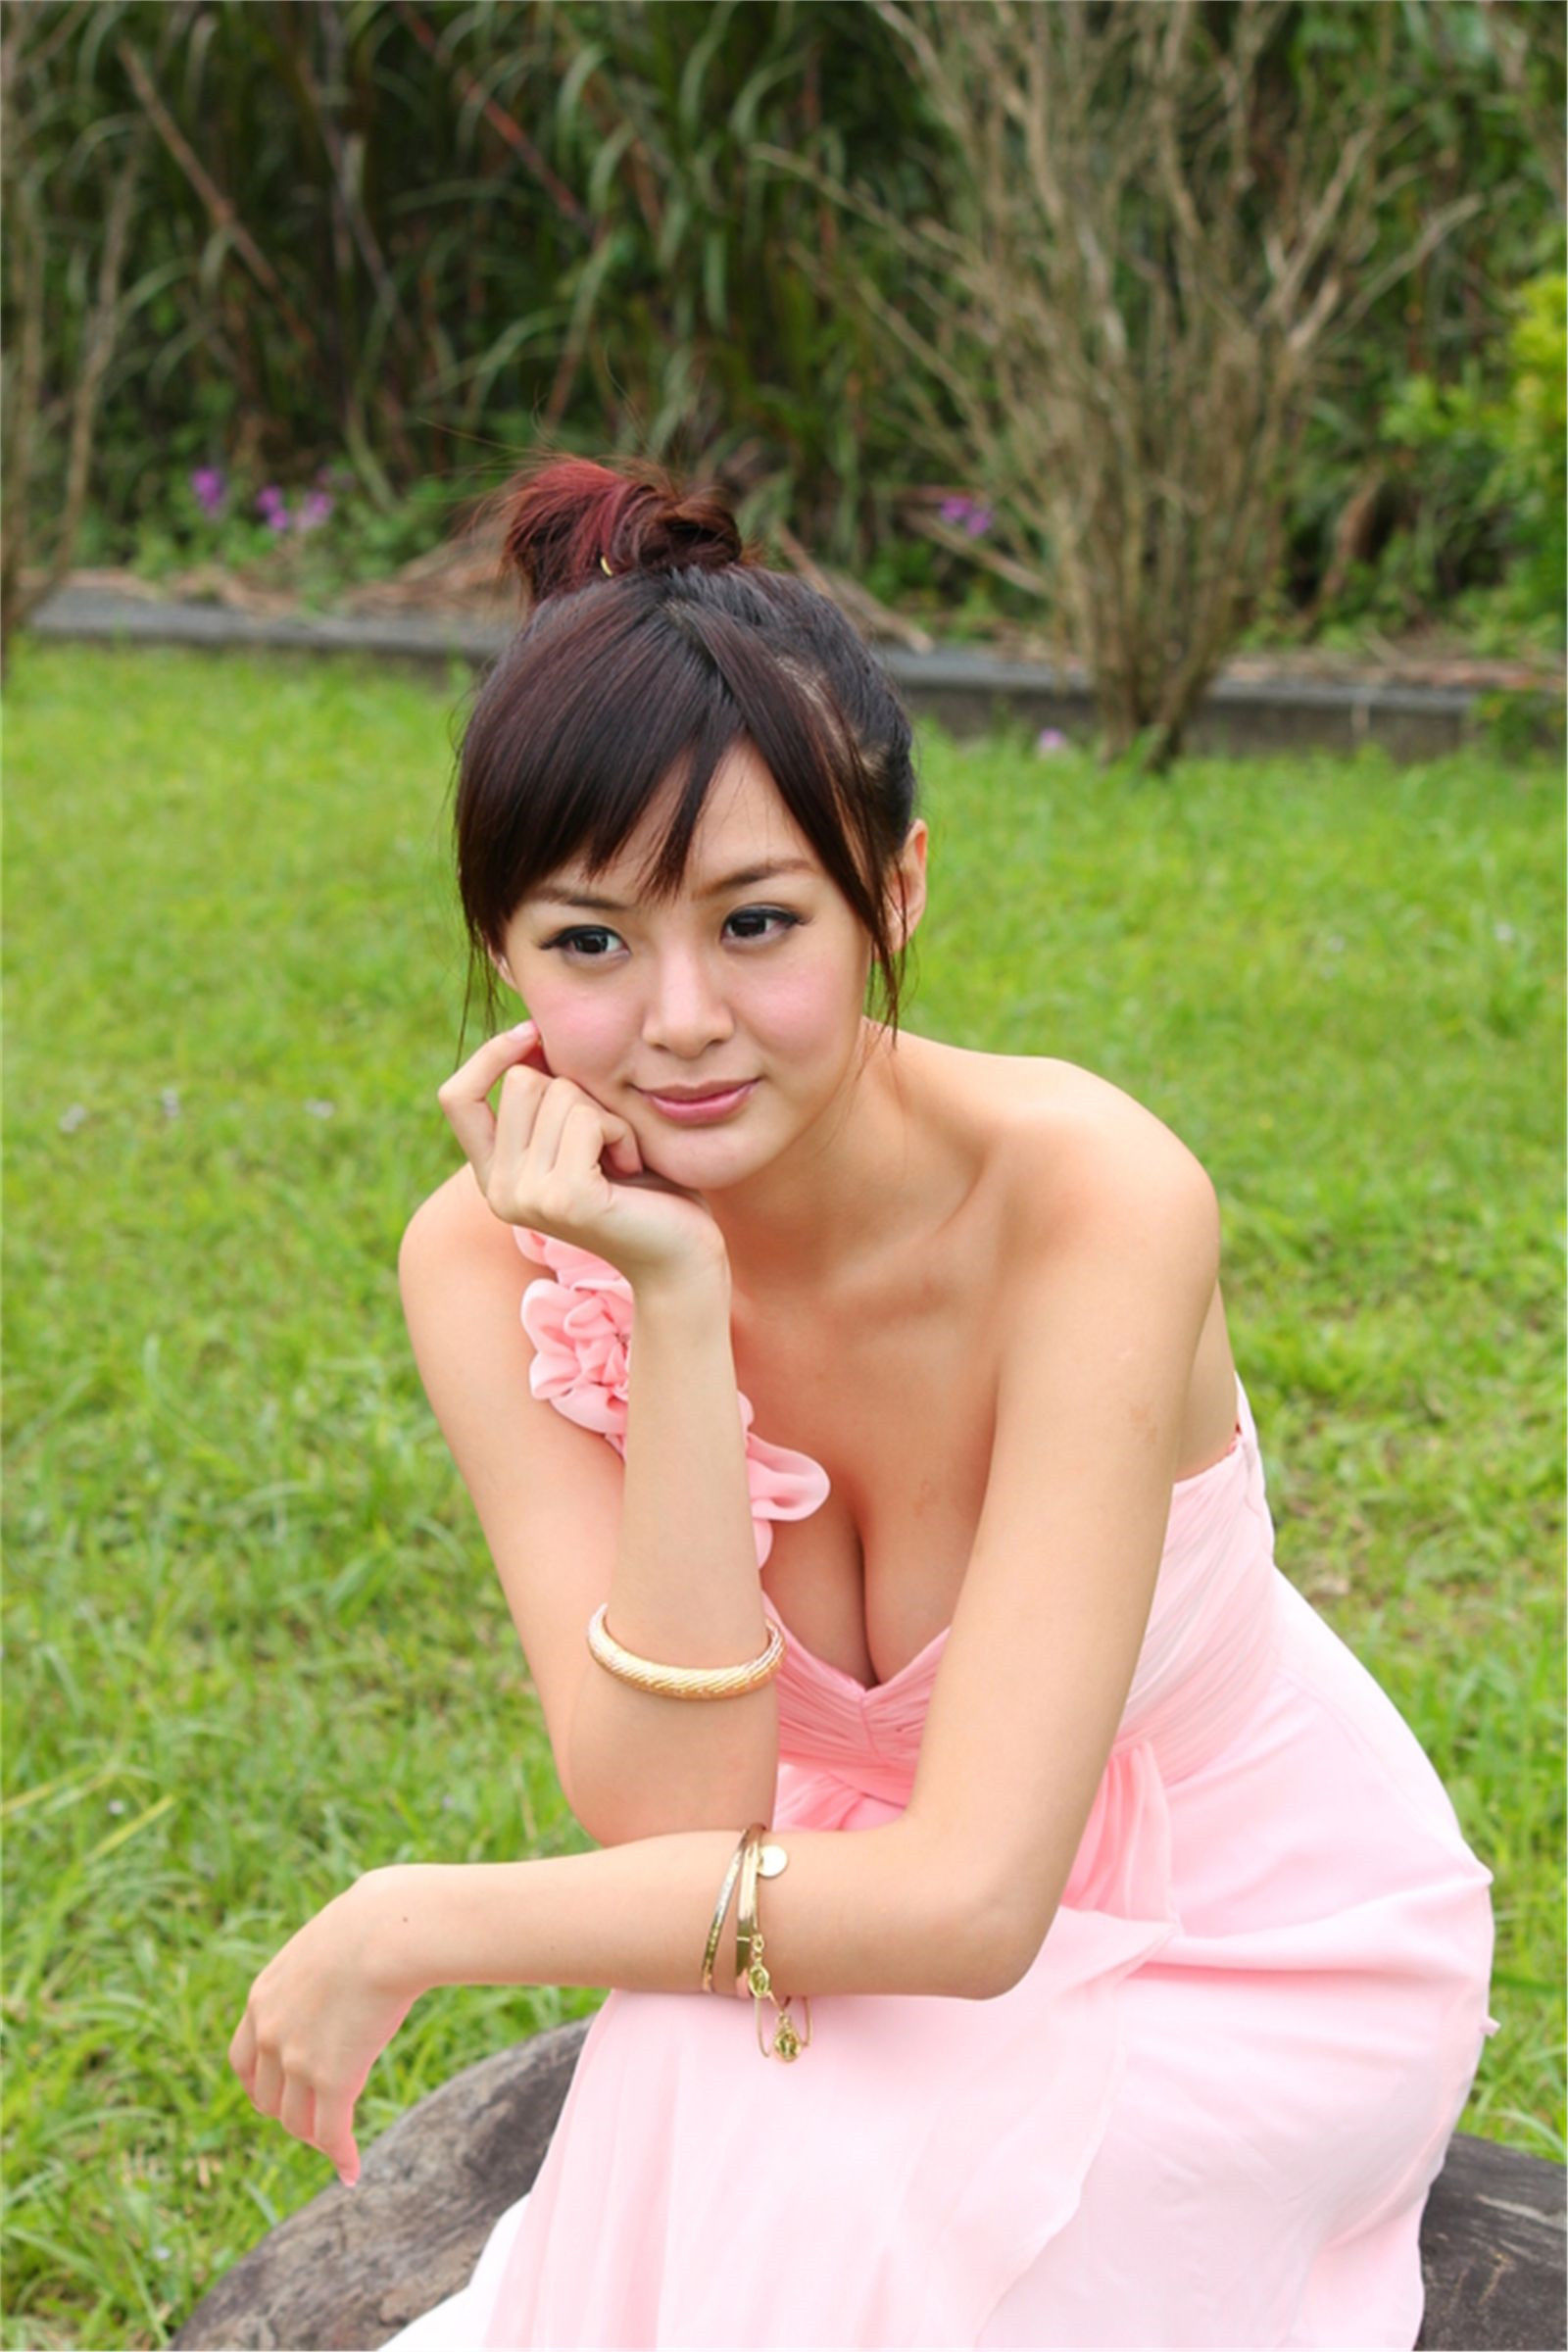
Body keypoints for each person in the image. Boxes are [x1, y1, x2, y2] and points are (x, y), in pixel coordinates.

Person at [228, 454, 1498, 2349]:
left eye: (757, 924)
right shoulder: (491, 1262)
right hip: (825, 1901)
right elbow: (681, 1804)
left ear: (892, 888)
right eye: (590, 942)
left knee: (804, 2202)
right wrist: (674, 1310)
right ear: (503, 954)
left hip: (1235, 1944)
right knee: (708, 2111)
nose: (679, 1020)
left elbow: (976, 1906)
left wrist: (423, 1915)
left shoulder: (1090, 1200)